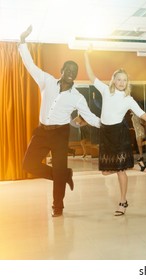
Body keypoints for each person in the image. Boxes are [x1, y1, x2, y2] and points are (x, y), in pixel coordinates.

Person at [18, 25, 101, 217]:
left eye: (75, 70)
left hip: (60, 134)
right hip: (41, 131)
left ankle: (58, 206)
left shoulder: (77, 97)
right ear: (62, 70)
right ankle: (64, 175)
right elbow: (30, 65)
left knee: (58, 167)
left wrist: (105, 123)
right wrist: (22, 41)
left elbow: (88, 116)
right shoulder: (46, 81)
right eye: (69, 69)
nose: (72, 72)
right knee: (28, 165)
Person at [84, 51, 146, 216]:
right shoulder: (105, 90)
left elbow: (144, 115)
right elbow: (91, 76)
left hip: (119, 133)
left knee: (120, 170)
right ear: (113, 80)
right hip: (105, 133)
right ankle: (139, 167)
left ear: (127, 83)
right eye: (118, 79)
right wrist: (86, 55)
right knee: (105, 172)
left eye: (124, 80)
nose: (121, 82)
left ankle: (123, 202)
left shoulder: (128, 99)